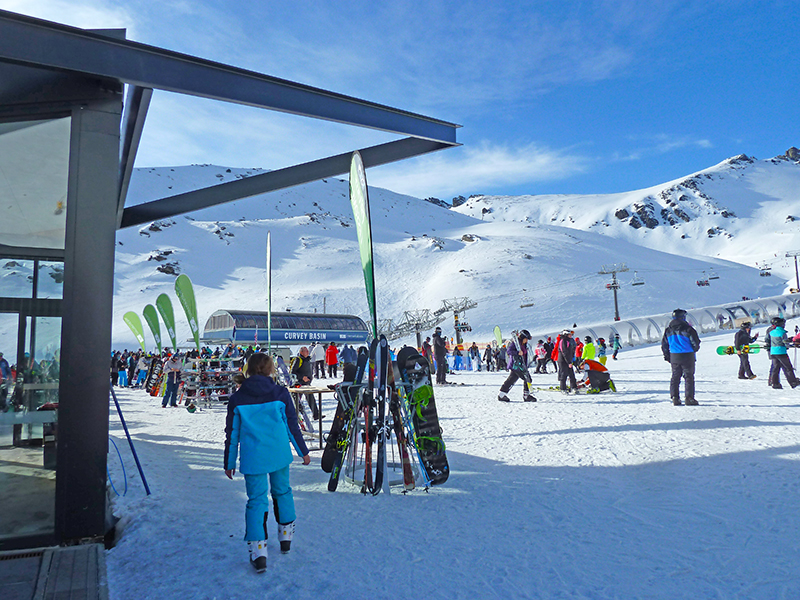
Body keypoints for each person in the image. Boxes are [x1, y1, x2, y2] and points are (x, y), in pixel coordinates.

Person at [224, 352, 311, 574]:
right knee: (283, 492)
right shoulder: (280, 393)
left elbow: (232, 433)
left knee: (256, 500)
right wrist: (303, 451)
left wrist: (229, 460)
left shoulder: (237, 399)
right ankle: (285, 538)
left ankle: (259, 551)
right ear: (271, 370)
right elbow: (292, 424)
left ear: (248, 370)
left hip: (254, 457)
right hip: (279, 452)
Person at [661, 308, 701, 405]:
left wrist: (668, 356)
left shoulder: (668, 330)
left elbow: (664, 345)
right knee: (689, 377)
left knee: (675, 377)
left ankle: (675, 397)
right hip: (687, 355)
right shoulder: (688, 329)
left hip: (674, 356)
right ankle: (689, 398)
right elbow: (695, 343)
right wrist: (694, 350)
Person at [498, 330, 536, 402]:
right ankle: (526, 396)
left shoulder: (523, 344)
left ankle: (501, 395)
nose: (527, 340)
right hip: (516, 365)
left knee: (511, 380)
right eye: (526, 339)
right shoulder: (515, 343)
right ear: (522, 338)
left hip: (520, 365)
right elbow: (509, 351)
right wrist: (517, 352)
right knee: (527, 379)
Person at [291, 346, 322, 420]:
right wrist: (302, 377)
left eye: (308, 351)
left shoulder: (307, 360)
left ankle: (316, 415)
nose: (308, 352)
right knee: (296, 400)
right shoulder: (298, 360)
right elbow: (293, 372)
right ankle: (295, 414)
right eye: (306, 351)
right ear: (301, 352)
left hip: (306, 384)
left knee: (311, 398)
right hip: (299, 384)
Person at [767, 317, 799, 389]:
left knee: (775, 368)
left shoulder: (771, 332)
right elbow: (785, 343)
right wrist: (788, 346)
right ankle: (793, 382)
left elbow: (768, 341)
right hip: (781, 352)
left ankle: (775, 383)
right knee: (788, 367)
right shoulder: (782, 332)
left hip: (773, 352)